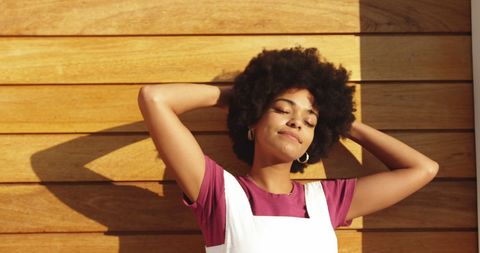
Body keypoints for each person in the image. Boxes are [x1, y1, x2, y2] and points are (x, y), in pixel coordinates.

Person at [137, 46, 439, 253]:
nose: (297, 122)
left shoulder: (326, 202)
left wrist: (342, 122)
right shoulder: (219, 194)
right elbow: (154, 99)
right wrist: (243, 97)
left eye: (310, 121)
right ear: (252, 121)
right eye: (282, 109)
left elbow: (423, 169)